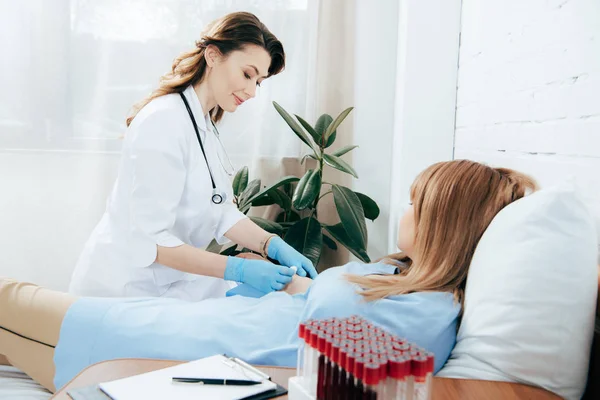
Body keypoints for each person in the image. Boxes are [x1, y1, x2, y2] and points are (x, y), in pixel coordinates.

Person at [0, 160, 538, 393]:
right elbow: (325, 303)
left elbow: (340, 339)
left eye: (416, 203)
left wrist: (318, 284)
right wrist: (292, 282)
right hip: (190, 324)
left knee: (8, 300)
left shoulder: (434, 312)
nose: (404, 209)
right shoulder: (400, 276)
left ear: (444, 226)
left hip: (159, 348)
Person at [68, 11, 317, 301]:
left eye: (258, 82)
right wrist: (237, 269)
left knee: (279, 300)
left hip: (168, 283)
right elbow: (151, 241)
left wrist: (270, 244)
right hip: (124, 288)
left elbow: (218, 210)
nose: (251, 91)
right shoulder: (164, 121)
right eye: (247, 74)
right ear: (212, 56)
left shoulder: (203, 123)